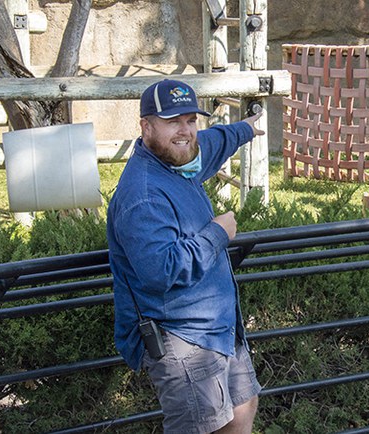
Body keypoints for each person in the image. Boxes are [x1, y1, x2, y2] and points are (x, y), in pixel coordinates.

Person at [107, 79, 264, 434]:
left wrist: (245, 129)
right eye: (173, 121)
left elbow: (209, 144)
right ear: (146, 127)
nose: (185, 130)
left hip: (219, 328)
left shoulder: (179, 162)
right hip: (182, 339)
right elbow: (161, 271)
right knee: (205, 427)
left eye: (191, 119)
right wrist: (217, 234)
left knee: (242, 407)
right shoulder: (143, 194)